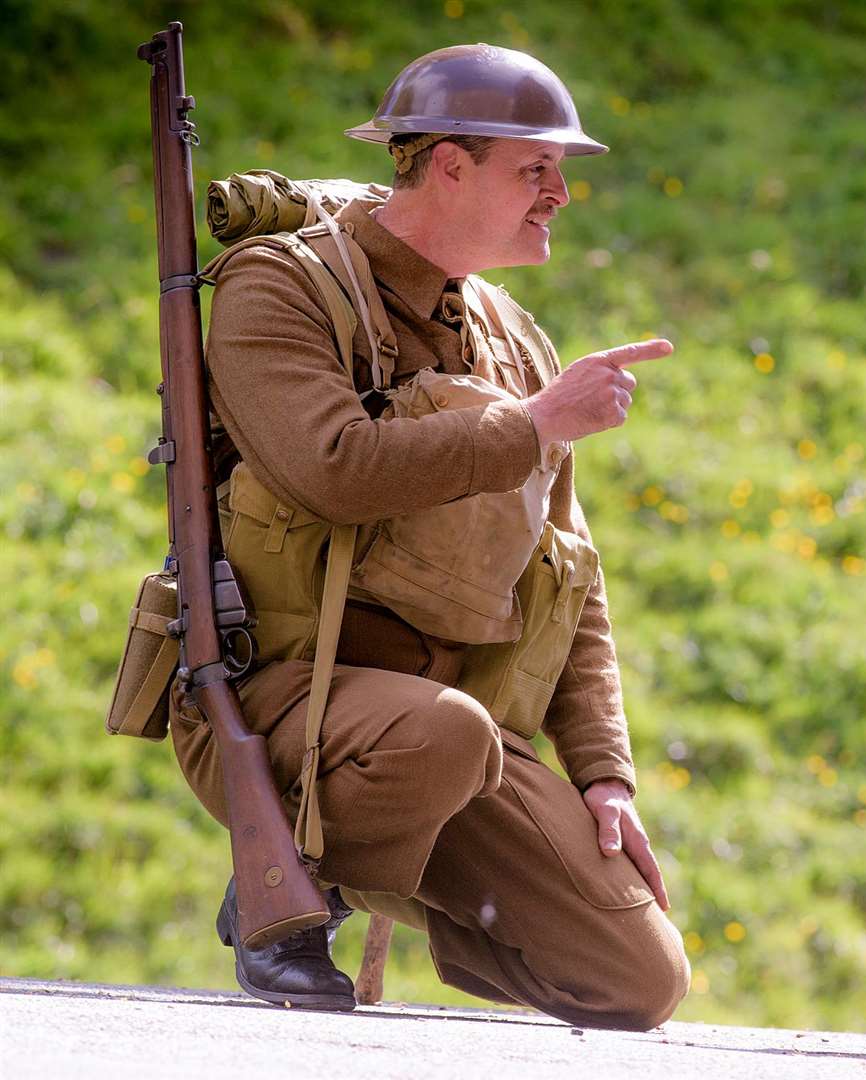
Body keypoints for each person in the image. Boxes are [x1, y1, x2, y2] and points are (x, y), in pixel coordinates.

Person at [169, 43, 689, 1029]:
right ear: (447, 164)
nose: (560, 196)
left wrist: (603, 774)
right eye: (534, 169)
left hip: (448, 742)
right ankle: (284, 884)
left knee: (635, 982)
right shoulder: (278, 287)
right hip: (284, 703)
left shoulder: (510, 333)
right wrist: (532, 424)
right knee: (441, 734)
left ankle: (357, 864)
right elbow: (331, 465)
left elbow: (567, 576)